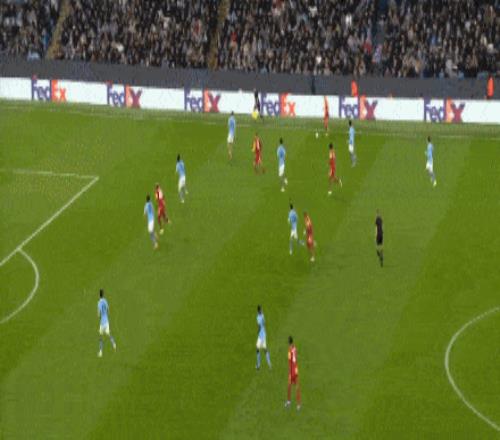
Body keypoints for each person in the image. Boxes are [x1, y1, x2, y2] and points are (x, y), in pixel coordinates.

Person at [97, 289, 116, 358]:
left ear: (99, 295)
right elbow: (108, 309)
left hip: (102, 322)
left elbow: (98, 313)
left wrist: (99, 315)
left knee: (101, 337)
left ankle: (100, 352)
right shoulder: (105, 301)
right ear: (103, 294)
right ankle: (114, 343)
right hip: (107, 321)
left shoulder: (99, 302)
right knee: (108, 334)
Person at [285, 336, 301, 410]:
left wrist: (290, 373)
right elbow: (295, 359)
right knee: (297, 387)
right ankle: (298, 405)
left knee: (289, 386)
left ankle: (288, 402)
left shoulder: (289, 350)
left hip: (292, 371)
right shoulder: (295, 348)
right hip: (296, 369)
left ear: (289, 342)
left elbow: (290, 362)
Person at [256, 305, 272, 370]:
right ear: (259, 310)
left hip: (261, 335)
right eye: (261, 309)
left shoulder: (258, 317)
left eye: (261, 309)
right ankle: (261, 365)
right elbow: (264, 323)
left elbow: (259, 326)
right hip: (263, 334)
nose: (262, 310)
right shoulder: (262, 315)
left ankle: (266, 365)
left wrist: (258, 332)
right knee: (259, 349)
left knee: (263, 349)